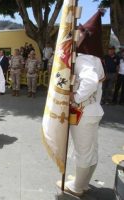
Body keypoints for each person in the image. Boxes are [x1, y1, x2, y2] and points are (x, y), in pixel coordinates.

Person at [61, 9, 106, 197]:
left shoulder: (84, 59)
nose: (76, 36)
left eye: (79, 33)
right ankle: (84, 182)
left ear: (86, 37)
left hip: (84, 110)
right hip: (93, 110)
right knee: (91, 149)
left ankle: (77, 187)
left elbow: (90, 81)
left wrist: (75, 97)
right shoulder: (96, 59)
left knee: (83, 151)